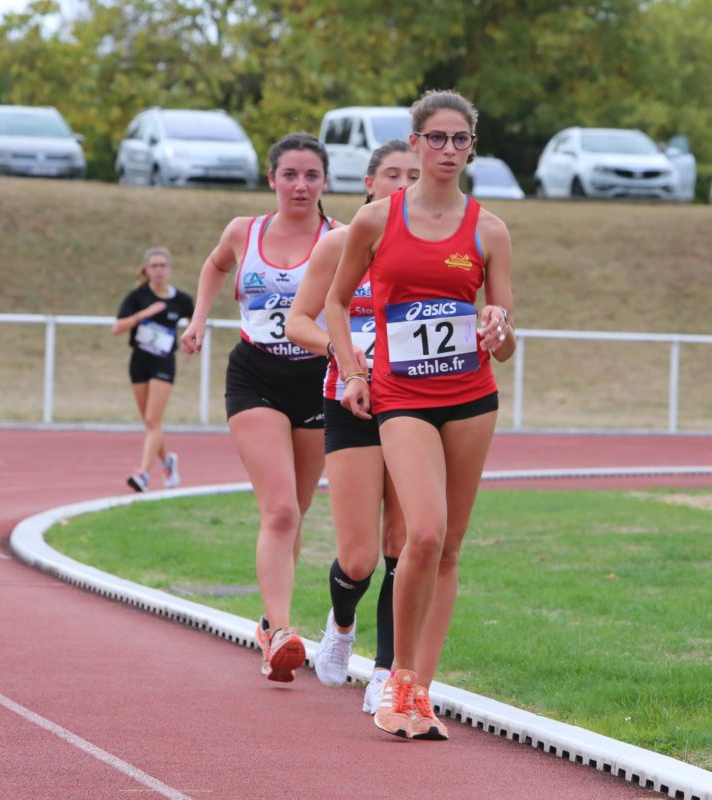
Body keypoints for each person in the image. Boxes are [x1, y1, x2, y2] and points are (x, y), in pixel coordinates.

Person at [324, 91, 516, 740]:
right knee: (422, 536)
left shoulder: (489, 229)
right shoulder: (378, 221)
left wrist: (499, 329)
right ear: (414, 142)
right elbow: (335, 303)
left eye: (460, 139)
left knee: (451, 547)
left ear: (472, 147)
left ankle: (422, 692)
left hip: (471, 395)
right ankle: (398, 678)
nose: (447, 151)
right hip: (400, 395)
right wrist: (353, 372)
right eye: (436, 138)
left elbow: (508, 329)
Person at [181, 133, 335, 683]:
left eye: (311, 175)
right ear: (271, 179)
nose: (300, 185)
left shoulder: (338, 239)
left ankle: (271, 623)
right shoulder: (243, 231)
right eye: (290, 174)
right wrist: (199, 317)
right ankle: (282, 634)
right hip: (255, 374)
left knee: (297, 510)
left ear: (324, 182)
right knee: (281, 511)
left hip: (318, 377)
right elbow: (214, 265)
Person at [285, 140, 419, 712]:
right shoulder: (339, 245)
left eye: (412, 176)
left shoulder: (433, 254)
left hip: (416, 405)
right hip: (349, 402)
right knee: (360, 555)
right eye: (392, 174)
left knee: (402, 546)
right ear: (369, 183)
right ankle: (341, 626)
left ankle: (387, 671)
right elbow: (298, 322)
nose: (403, 185)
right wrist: (348, 356)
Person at [112, 247, 195, 493]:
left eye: (162, 265)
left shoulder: (182, 299)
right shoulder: (137, 297)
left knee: (152, 420)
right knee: (150, 424)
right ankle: (168, 462)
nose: (158, 270)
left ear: (169, 269)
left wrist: (190, 342)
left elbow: (195, 321)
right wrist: (143, 315)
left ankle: (144, 474)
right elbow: (117, 328)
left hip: (163, 362)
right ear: (146, 270)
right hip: (139, 362)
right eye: (154, 266)